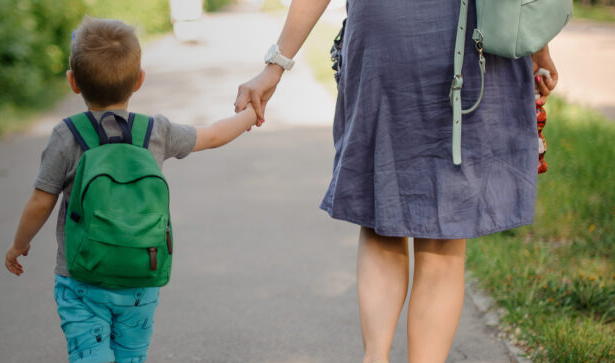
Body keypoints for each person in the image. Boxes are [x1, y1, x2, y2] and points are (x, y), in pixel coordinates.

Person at [234, 1, 558, 362]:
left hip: (383, 38)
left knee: (382, 212)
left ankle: (375, 358)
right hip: (470, 36)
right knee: (442, 234)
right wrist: (536, 45)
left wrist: (275, 66)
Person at [5, 17, 261, 363]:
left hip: (81, 278)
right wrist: (252, 112)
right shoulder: (154, 132)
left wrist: (20, 245)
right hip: (141, 275)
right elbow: (214, 135)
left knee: (91, 357)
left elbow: (40, 202)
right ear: (139, 81)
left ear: (73, 82)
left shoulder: (66, 136)